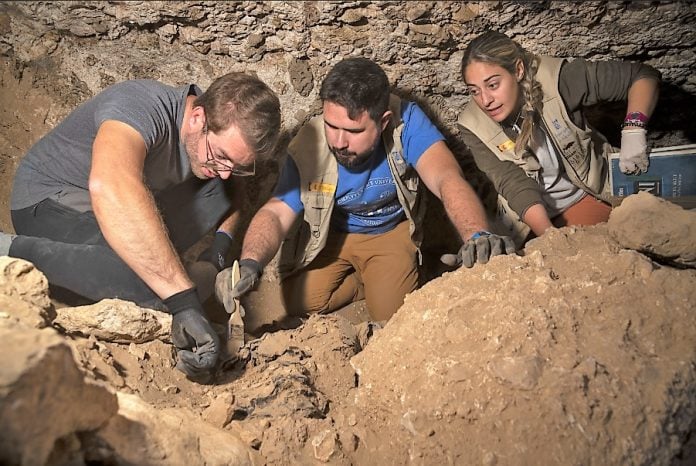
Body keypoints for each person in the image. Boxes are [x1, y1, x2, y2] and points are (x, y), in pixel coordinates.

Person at [1, 73, 281, 378]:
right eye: (221, 156)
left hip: (115, 208)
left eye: (238, 165)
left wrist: (217, 256)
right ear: (197, 118)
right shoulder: (139, 105)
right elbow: (110, 186)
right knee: (144, 283)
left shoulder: (213, 148)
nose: (226, 171)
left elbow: (234, 193)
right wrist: (182, 300)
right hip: (50, 201)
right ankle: (9, 250)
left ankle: (169, 276)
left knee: (218, 191)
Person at [216, 57, 515, 323]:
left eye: (355, 131)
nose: (339, 142)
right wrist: (251, 262)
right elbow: (276, 212)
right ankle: (368, 282)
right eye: (332, 126)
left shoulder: (406, 122)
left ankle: (403, 274)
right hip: (338, 235)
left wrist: (477, 234)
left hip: (388, 232)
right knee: (297, 302)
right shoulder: (309, 144)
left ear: (383, 121)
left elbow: (446, 178)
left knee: (392, 317)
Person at [457, 30, 661, 246]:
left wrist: (633, 128)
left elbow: (642, 76)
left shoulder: (557, 80)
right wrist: (549, 237)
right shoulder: (472, 124)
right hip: (527, 220)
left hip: (585, 196)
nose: (485, 100)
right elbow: (511, 181)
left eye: (492, 85)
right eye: (474, 91)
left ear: (517, 70)